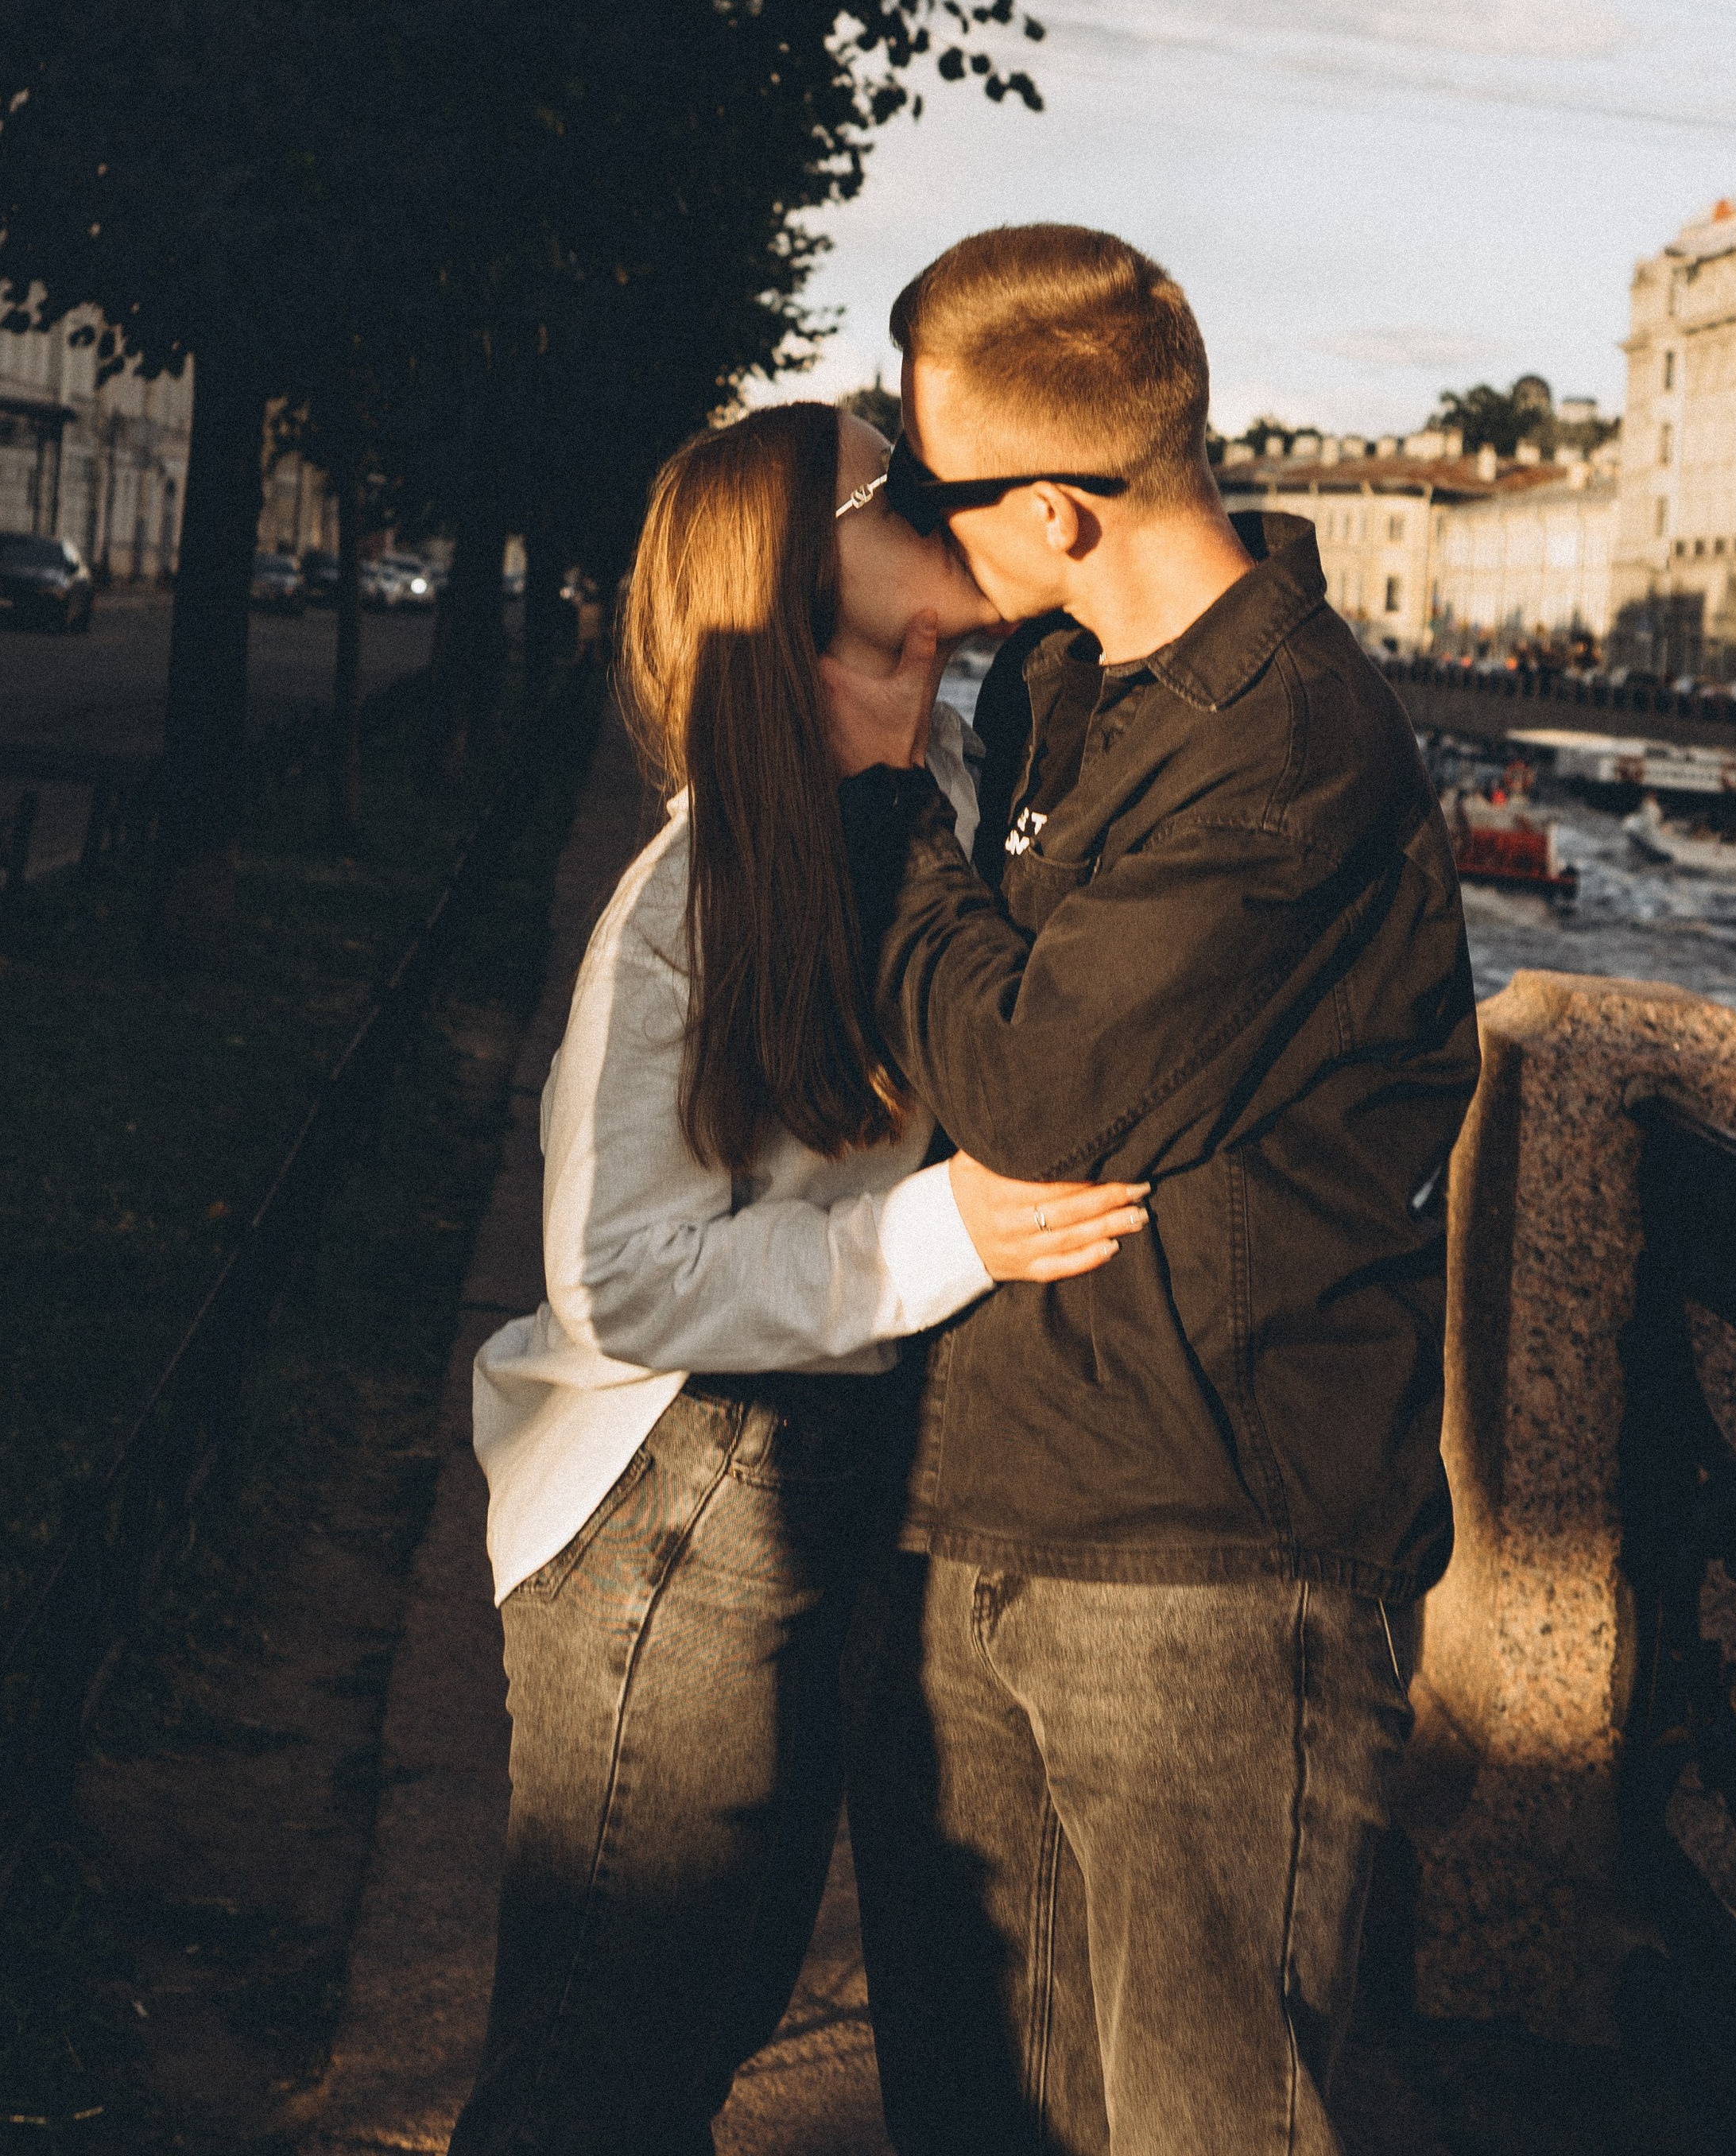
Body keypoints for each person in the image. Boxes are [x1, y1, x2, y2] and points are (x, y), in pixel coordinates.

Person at [819, 226, 1481, 2156]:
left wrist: (886, 826)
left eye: (940, 494)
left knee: (1199, 2125)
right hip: (991, 1505)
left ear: (1057, 504)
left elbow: (1039, 1084)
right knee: (971, 2113)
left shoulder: (1288, 750)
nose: (927, 539)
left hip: (1212, 1569)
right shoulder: (1061, 681)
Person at [451, 398, 1150, 2156]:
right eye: (902, 489)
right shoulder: (691, 890)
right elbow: (613, 1277)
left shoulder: (926, 785)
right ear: (784, 584)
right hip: (667, 1502)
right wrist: (943, 1239)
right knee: (600, 2063)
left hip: (802, 1474)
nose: (943, 505)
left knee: (700, 2017)